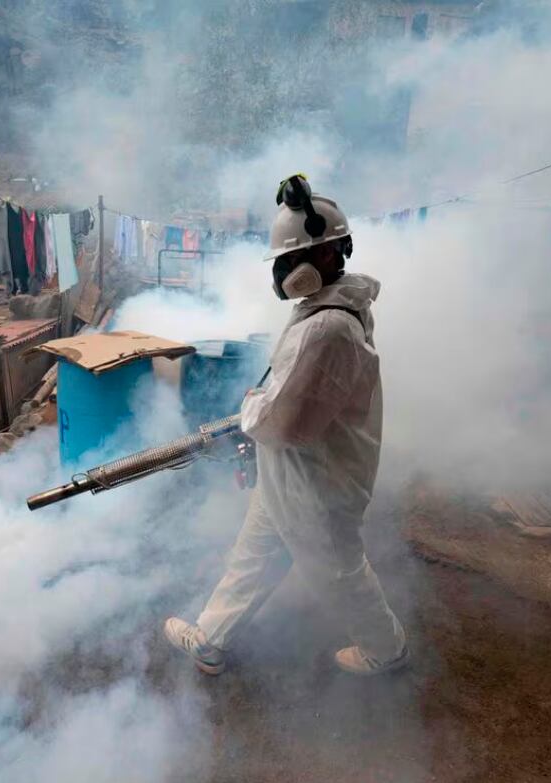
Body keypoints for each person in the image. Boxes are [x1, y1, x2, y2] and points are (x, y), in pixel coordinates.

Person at [163, 176, 408, 676]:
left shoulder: (328, 326)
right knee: (254, 555)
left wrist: (251, 411)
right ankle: (211, 640)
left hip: (315, 481)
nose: (282, 271)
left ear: (327, 254)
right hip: (296, 472)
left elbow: (287, 423)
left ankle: (387, 651)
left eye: (290, 258)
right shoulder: (329, 308)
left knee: (339, 571)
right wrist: (259, 416)